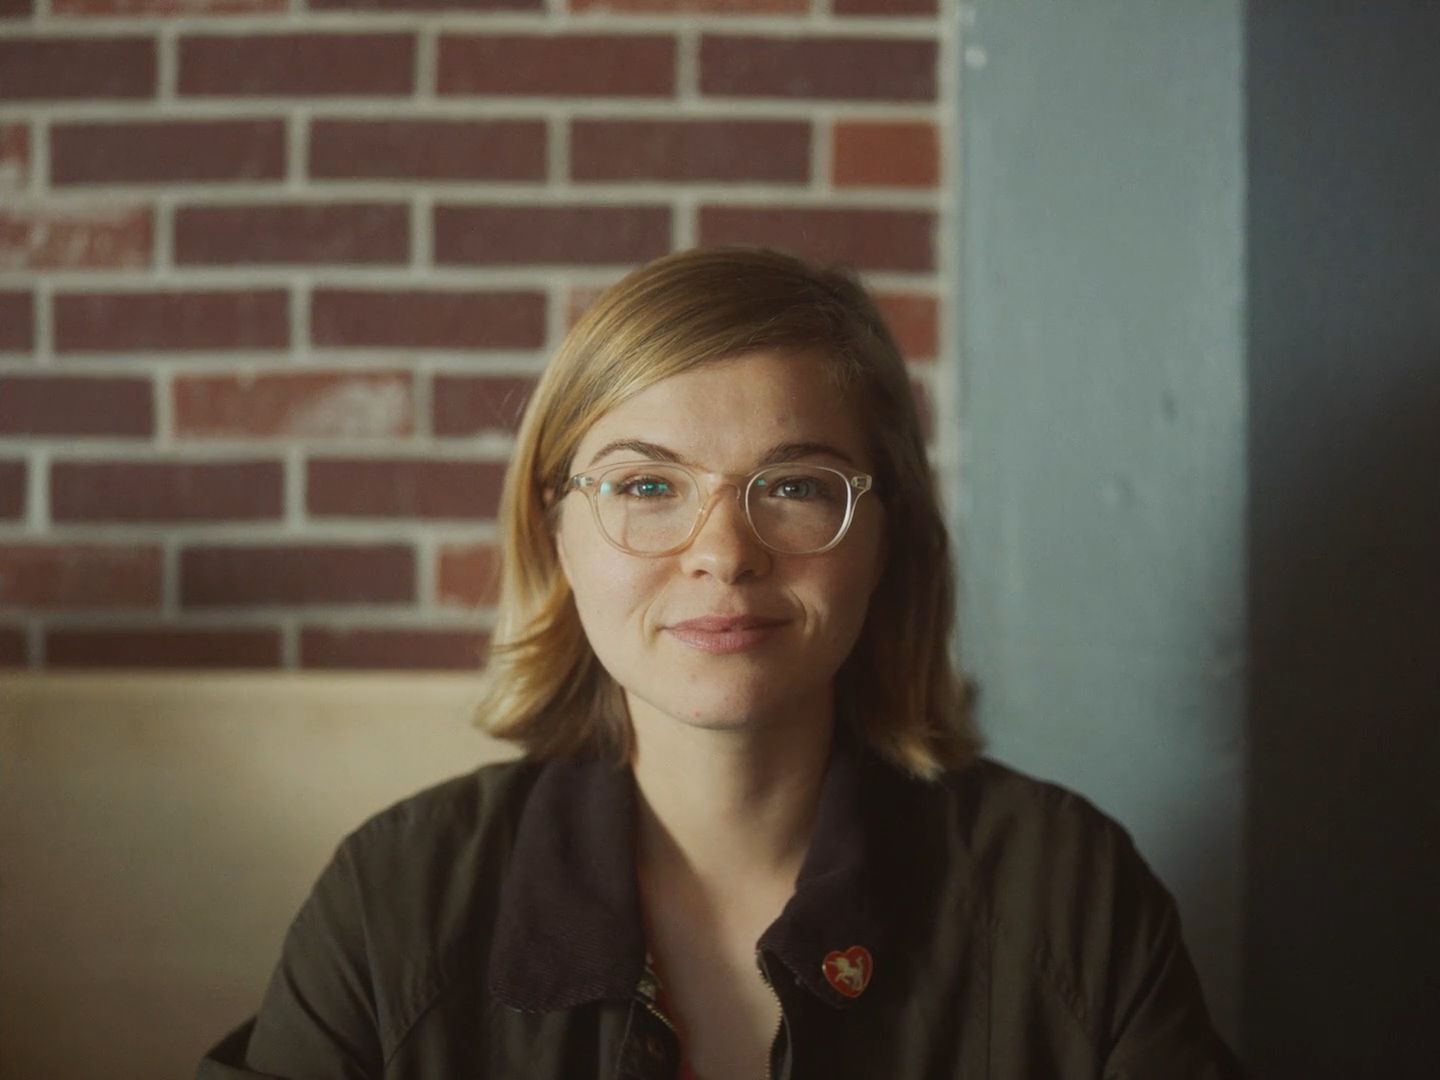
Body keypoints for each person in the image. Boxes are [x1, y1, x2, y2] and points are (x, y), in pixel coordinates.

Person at [198, 247, 1245, 1079]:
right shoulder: (397, 901)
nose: (724, 553)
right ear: (554, 535)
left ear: (892, 541)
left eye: (793, 484)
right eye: (648, 487)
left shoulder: (1068, 893)